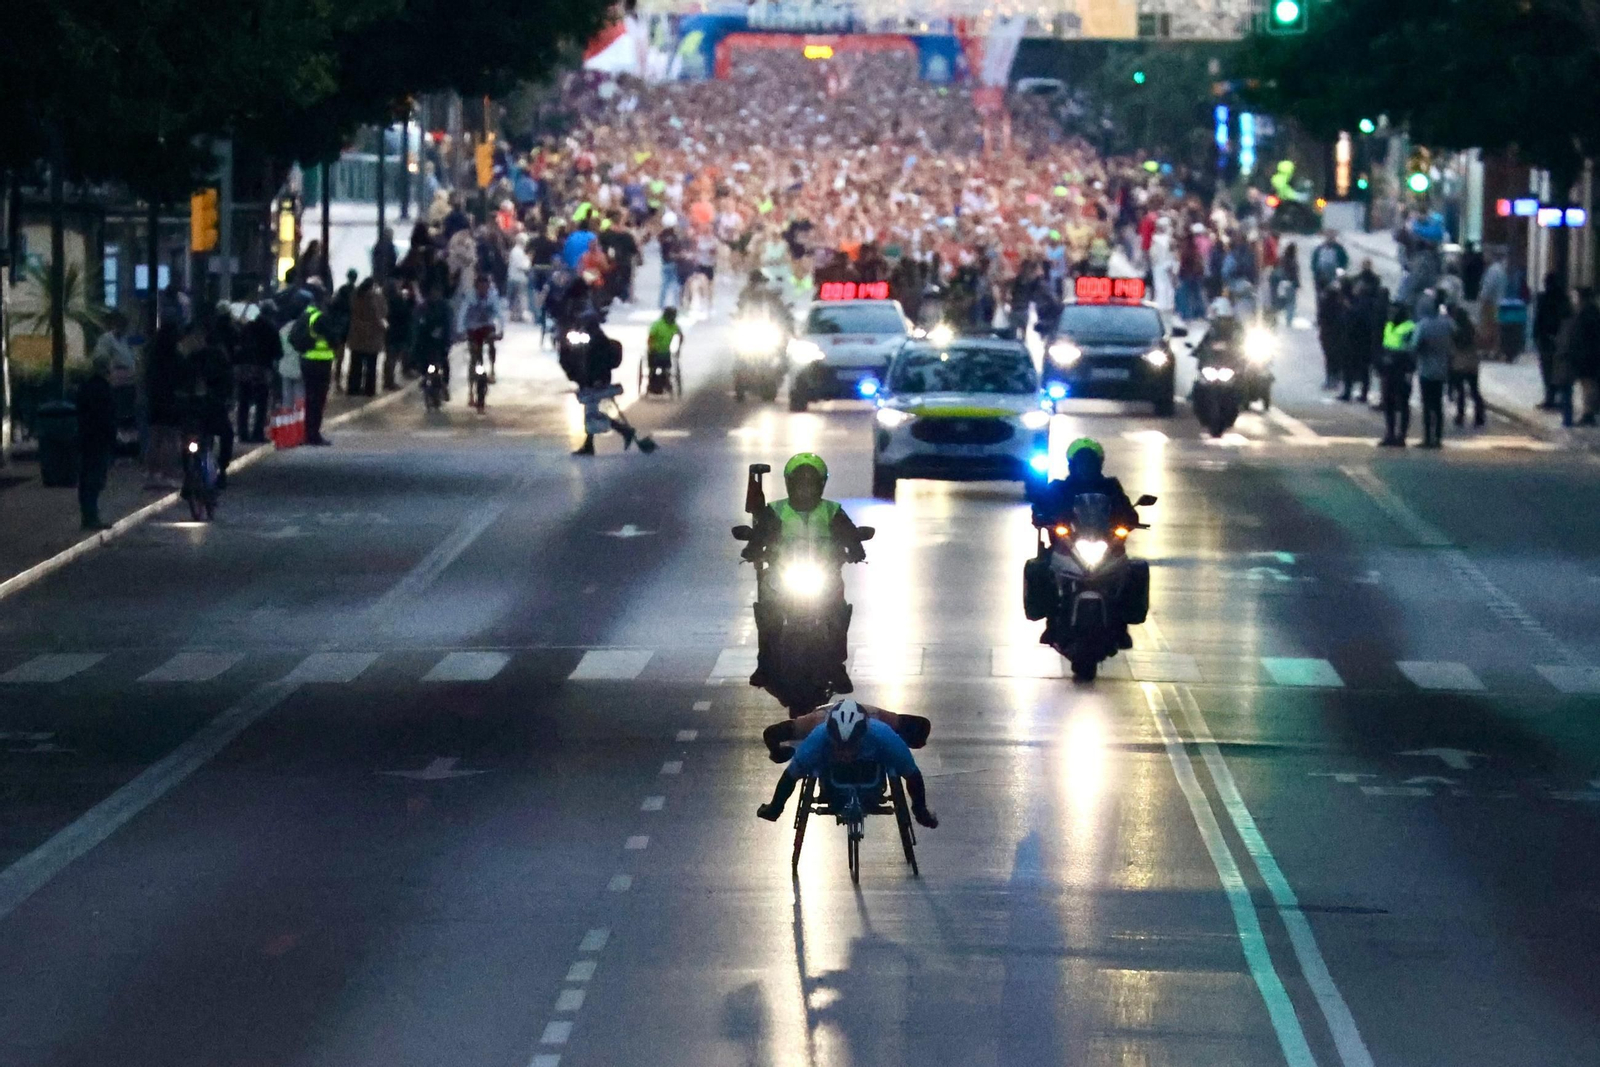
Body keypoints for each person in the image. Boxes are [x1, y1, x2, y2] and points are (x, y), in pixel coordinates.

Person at [742, 453, 866, 693]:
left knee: (838, 613)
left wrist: (856, 549)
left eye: (811, 484)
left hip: (825, 574)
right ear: (790, 484)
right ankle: (765, 663)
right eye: (801, 484)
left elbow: (850, 534)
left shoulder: (832, 511)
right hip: (782, 574)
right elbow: (759, 537)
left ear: (821, 485)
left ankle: (837, 666)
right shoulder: (775, 511)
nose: (805, 490)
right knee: (768, 612)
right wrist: (752, 550)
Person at [755, 700, 939, 830]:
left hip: (874, 715)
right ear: (830, 736)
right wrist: (776, 807)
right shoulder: (818, 735)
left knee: (916, 732)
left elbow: (912, 773)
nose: (846, 754)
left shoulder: (883, 734)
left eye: (851, 746)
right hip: (823, 716)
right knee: (789, 740)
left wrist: (920, 809)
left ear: (864, 735)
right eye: (840, 747)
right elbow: (791, 775)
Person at [75, 355, 116, 530]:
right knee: (94, 479)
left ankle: (89, 515)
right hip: (99, 439)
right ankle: (91, 517)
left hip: (86, 437)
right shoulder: (104, 389)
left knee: (87, 478)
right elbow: (107, 416)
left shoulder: (86, 386)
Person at [233, 300, 280, 442]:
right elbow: (278, 351)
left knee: (244, 401)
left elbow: (239, 346)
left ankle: (242, 433)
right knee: (261, 402)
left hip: (245, 369)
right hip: (262, 369)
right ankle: (257, 433)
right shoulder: (271, 328)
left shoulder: (248, 327)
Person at [297, 286, 338, 445]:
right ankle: (313, 435)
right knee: (318, 400)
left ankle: (306, 432)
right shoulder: (321, 318)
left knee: (309, 398)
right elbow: (333, 338)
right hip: (321, 363)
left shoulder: (306, 315)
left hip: (307, 361)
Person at [1412, 296, 1454, 448]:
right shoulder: (1447, 323)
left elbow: (1414, 345)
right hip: (1442, 368)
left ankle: (1427, 437)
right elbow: (1456, 336)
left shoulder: (1423, 325)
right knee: (1438, 404)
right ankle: (1438, 437)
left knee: (1427, 404)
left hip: (1426, 369)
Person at [1378, 303, 1417, 446]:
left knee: (1403, 402)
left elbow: (1412, 351)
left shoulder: (1409, 328)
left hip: (1402, 369)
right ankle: (1390, 434)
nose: (1391, 314)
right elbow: (1385, 344)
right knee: (1388, 402)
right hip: (1388, 368)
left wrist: (1409, 371)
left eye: (1394, 312)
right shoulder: (1389, 325)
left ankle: (1402, 436)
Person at [456, 274, 505, 383]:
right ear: (476, 287)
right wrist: (460, 331)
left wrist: (501, 331)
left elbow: (500, 314)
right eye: (480, 287)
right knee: (473, 355)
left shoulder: (493, 296)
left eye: (485, 287)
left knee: (492, 342)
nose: (483, 290)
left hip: (487, 326)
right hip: (473, 328)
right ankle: (471, 392)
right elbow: (462, 314)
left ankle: (492, 369)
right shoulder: (469, 297)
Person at [1534, 272, 1573, 408]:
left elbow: (1539, 319)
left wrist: (1537, 336)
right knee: (1559, 371)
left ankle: (1550, 398)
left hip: (1547, 339)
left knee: (1548, 370)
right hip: (1559, 339)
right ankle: (1560, 398)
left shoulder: (1544, 298)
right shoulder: (1564, 299)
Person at [345, 276, 387, 397]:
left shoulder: (355, 295)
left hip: (356, 334)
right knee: (371, 365)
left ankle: (353, 388)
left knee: (355, 364)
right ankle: (369, 389)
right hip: (372, 336)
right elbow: (382, 312)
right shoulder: (376, 297)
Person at [1447, 298, 1485, 427]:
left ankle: (1460, 415)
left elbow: (1451, 345)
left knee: (1460, 391)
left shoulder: (1454, 329)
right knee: (1475, 390)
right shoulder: (1471, 328)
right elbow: (1479, 341)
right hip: (1472, 363)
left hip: (1458, 363)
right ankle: (1479, 415)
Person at [413, 283, 455, 397]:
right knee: (421, 359)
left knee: (444, 360)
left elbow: (449, 325)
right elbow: (417, 324)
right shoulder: (422, 307)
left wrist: (449, 339)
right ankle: (424, 376)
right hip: (426, 341)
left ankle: (445, 385)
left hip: (441, 341)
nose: (434, 295)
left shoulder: (445, 308)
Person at [1566, 287, 1600, 426]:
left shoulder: (1587, 314)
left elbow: (1584, 336)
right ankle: (1589, 412)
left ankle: (1589, 414)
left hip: (1587, 356)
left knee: (1589, 386)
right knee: (1587, 385)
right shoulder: (1589, 312)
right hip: (1586, 355)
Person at [384, 280, 415, 388]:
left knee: (389, 358)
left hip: (390, 332)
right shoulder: (398, 301)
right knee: (393, 358)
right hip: (398, 332)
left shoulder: (387, 300)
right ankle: (389, 381)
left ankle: (387, 380)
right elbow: (406, 314)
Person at [646, 306, 683, 392]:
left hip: (665, 352)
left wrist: (678, 348)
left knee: (666, 369)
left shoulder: (674, 325)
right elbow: (650, 338)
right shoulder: (657, 325)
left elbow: (681, 335)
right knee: (653, 369)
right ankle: (652, 384)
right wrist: (651, 348)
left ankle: (665, 382)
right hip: (654, 352)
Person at [1310, 231, 1349, 299]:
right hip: (1321, 277)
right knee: (1321, 297)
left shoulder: (1339, 249)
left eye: (1332, 236)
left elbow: (1344, 262)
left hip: (1335, 276)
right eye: (1328, 236)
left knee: (1335, 296)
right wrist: (1316, 274)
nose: (1330, 238)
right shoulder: (1319, 249)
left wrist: (1340, 276)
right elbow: (1314, 262)